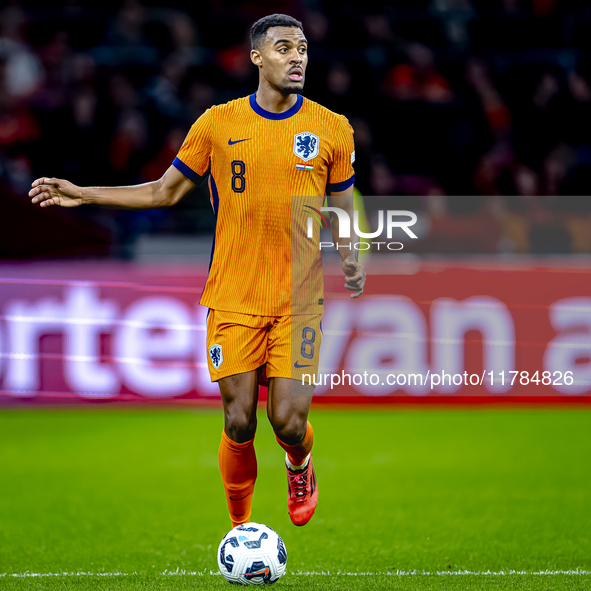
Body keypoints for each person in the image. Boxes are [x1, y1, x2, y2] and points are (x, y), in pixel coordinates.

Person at [29, 13, 366, 528]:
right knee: (239, 419)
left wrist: (350, 253)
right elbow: (164, 191)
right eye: (283, 48)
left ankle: (300, 463)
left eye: (301, 48)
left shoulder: (330, 128)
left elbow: (343, 205)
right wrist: (85, 192)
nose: (297, 57)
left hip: (299, 300)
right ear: (256, 57)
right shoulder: (217, 123)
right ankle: (242, 529)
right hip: (233, 296)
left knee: (289, 421)